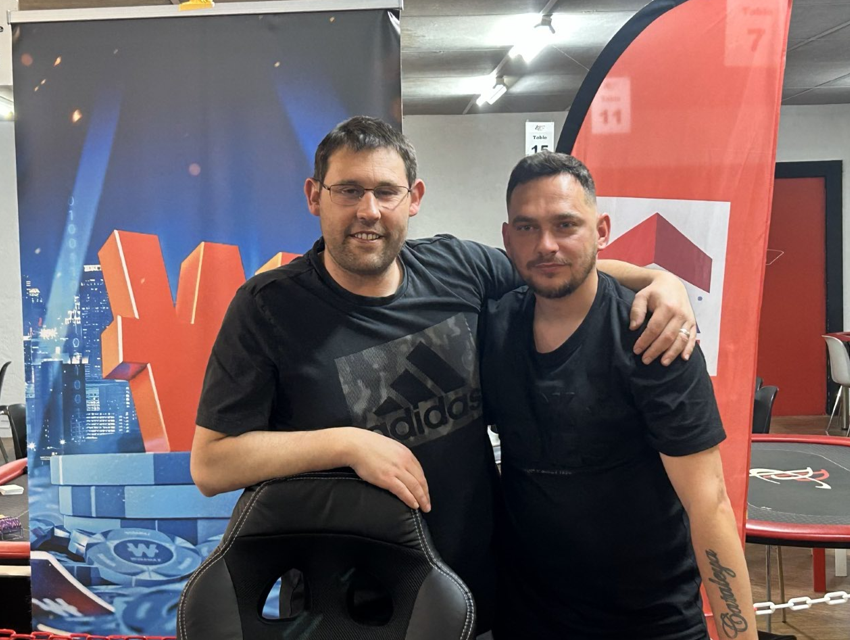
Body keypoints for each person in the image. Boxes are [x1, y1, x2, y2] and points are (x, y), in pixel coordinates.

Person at [191, 116, 698, 634]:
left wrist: (656, 280)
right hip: (347, 613)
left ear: (413, 198)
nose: (369, 210)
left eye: (386, 191)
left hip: (478, 596)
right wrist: (346, 444)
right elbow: (212, 464)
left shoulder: (458, 268)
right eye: (349, 190)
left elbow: (556, 267)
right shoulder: (267, 307)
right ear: (314, 196)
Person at [481, 152, 756, 640]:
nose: (546, 245)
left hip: (650, 620)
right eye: (527, 228)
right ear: (507, 238)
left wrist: (740, 635)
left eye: (566, 224)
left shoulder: (653, 337)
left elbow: (708, 504)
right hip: (528, 616)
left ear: (601, 230)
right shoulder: (493, 326)